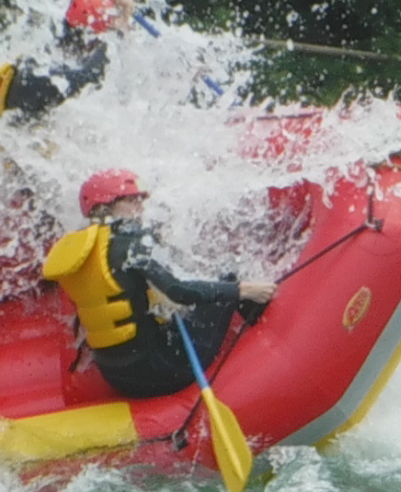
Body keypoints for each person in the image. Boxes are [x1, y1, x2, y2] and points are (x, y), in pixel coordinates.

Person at [43, 169, 277, 399]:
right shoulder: (130, 245)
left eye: (140, 200)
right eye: (132, 200)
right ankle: (271, 333)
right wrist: (242, 290)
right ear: (106, 206)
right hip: (160, 372)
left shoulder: (80, 250)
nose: (140, 208)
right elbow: (178, 291)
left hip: (116, 377)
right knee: (227, 276)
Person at [0, 0, 137, 120]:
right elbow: (95, 77)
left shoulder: (46, 53)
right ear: (94, 39)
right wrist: (123, 26)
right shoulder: (75, 75)